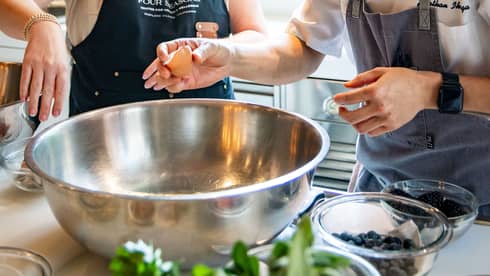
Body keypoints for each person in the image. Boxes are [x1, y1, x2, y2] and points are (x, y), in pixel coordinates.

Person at [147, 0, 490, 220]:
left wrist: (427, 90)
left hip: (481, 195)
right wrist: (229, 58)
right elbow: (301, 47)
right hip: (382, 189)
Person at [1, 0, 267, 119]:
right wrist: (42, 24)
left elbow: (255, 35)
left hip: (215, 148)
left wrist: (222, 49)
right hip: (106, 163)